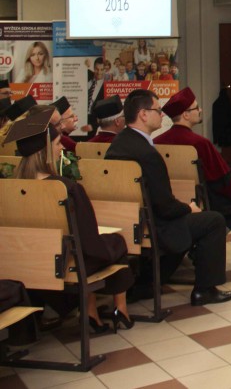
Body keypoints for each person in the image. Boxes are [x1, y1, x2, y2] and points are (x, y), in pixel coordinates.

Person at [5, 108, 134, 333]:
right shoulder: (66, 189)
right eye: (57, 144)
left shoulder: (9, 189)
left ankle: (91, 312)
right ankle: (118, 309)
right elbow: (89, 242)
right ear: (46, 150)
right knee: (117, 242)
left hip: (24, 264)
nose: (62, 148)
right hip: (66, 264)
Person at [105, 89, 231, 306]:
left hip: (126, 219)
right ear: (143, 114)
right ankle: (205, 289)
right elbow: (165, 207)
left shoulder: (118, 144)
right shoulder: (147, 154)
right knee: (213, 221)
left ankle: (147, 283)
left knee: (189, 219)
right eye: (158, 110)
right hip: (155, 224)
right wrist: (188, 208)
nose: (162, 115)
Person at [154, 87, 231, 238]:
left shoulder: (157, 142)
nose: (200, 110)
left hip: (168, 197)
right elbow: (222, 179)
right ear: (185, 114)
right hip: (201, 198)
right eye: (196, 107)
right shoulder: (200, 143)